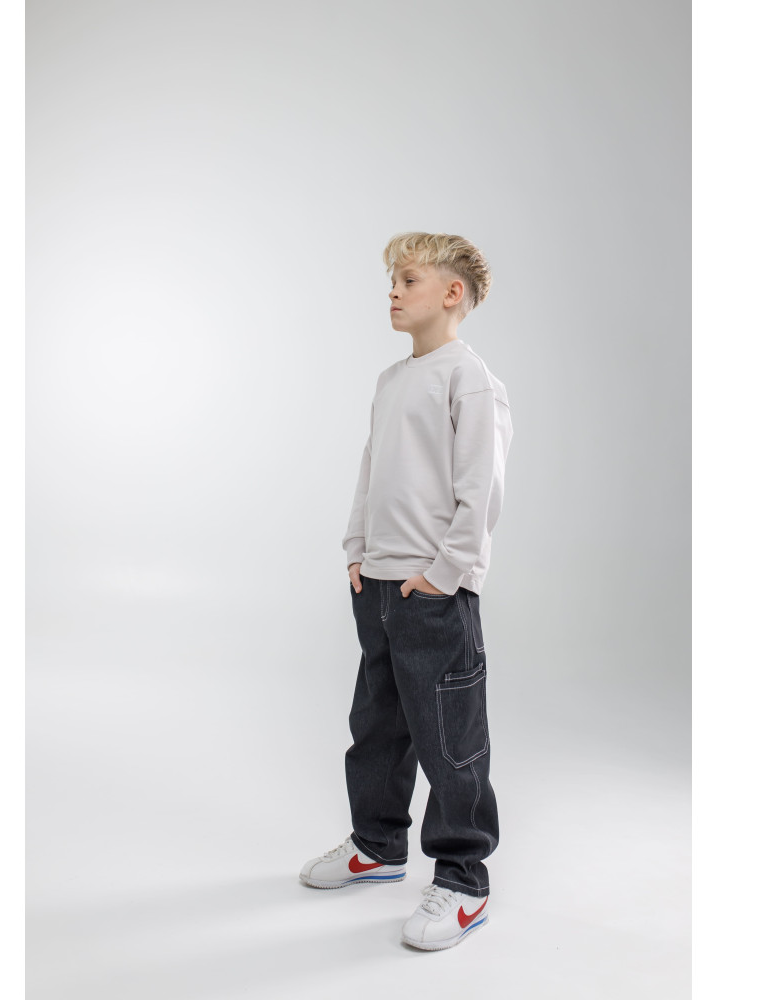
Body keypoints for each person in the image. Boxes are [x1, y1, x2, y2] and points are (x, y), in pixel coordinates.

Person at [298, 232, 514, 951]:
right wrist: (357, 550)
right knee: (378, 726)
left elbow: (480, 491)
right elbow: (373, 468)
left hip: (434, 591)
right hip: (380, 584)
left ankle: (464, 881)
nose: (393, 291)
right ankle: (377, 845)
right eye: (391, 280)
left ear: (452, 293)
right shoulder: (392, 379)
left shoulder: (469, 379)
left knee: (449, 739)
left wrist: (443, 575)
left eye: (408, 279)